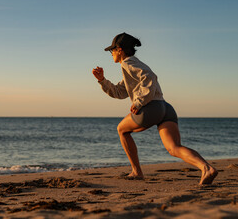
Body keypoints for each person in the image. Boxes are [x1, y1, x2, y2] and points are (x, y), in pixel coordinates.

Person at [92, 32, 218, 184]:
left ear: (119, 49)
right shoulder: (132, 66)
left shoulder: (128, 63)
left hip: (152, 108)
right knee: (174, 148)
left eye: (112, 50)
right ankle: (206, 168)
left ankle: (137, 172)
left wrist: (139, 102)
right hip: (165, 108)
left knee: (121, 129)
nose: (111, 53)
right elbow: (119, 92)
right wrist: (102, 80)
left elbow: (150, 76)